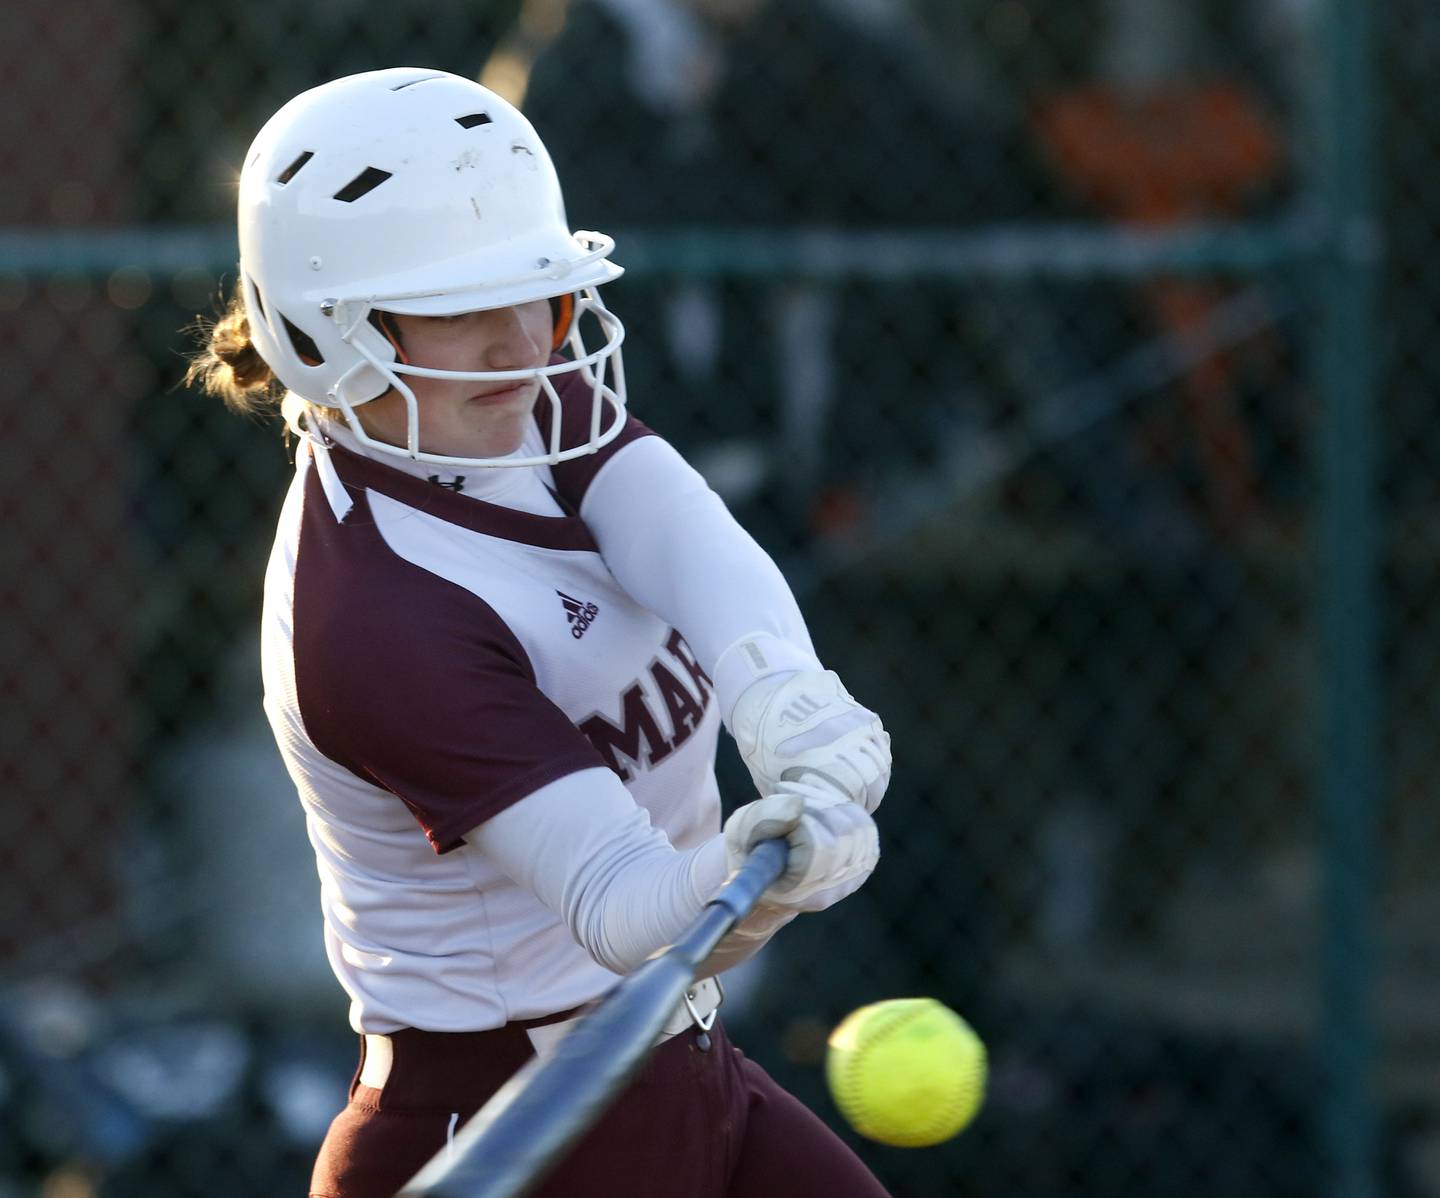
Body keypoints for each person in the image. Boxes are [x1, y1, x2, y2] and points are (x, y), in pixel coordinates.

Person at [184, 68, 893, 1198]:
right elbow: (622, 908)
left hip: (671, 1061)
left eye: (540, 292)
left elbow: (684, 534)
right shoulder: (374, 613)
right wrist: (773, 869)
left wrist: (782, 693)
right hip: (509, 1122)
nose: (523, 340)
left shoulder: (511, 399)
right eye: (465, 309)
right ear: (333, 333)